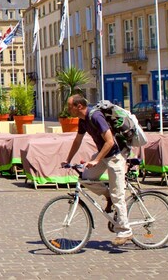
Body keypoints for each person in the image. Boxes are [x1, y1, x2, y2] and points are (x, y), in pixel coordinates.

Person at [64, 94, 133, 246]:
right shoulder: (83, 120)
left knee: (118, 194)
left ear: (79, 106)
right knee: (85, 178)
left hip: (116, 155)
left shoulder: (95, 117)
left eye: (70, 107)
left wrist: (95, 160)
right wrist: (68, 160)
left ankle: (125, 230)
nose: (68, 109)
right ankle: (108, 196)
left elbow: (109, 142)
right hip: (104, 154)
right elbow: (77, 140)